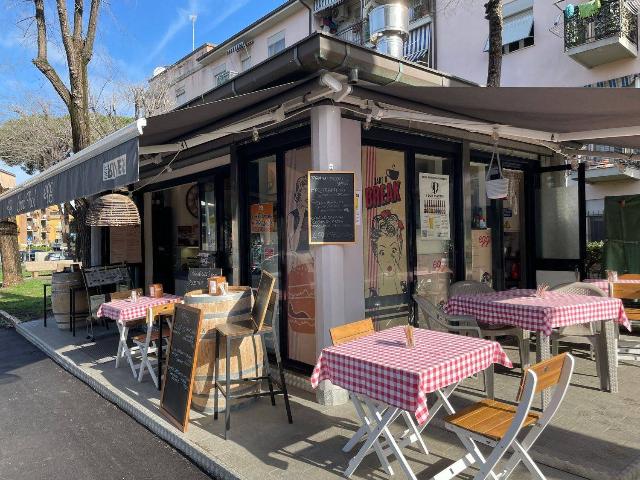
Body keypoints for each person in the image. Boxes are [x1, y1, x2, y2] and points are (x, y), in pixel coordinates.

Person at [370, 209, 406, 296]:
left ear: (400, 251)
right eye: (382, 253)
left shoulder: (406, 287)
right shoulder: (372, 293)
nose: (389, 259)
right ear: (376, 255)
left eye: (394, 250)